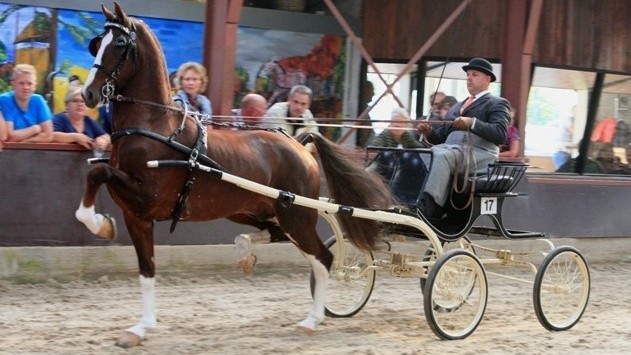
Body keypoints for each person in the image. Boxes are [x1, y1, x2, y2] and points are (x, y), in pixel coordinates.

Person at [416, 57, 510, 219]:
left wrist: (472, 123)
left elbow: (500, 134)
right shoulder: (457, 106)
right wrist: (429, 132)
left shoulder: (497, 103)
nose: (469, 78)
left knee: (441, 156)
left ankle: (430, 207)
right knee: (421, 155)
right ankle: (411, 197)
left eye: (474, 74)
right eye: (468, 75)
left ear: (487, 79)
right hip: (452, 150)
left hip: (480, 153)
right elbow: (441, 138)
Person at [366, 107, 427, 204]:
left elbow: (419, 147)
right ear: (390, 123)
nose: (397, 124)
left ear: (406, 124)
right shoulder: (385, 134)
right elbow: (374, 146)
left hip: (401, 170)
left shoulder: (406, 137)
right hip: (384, 166)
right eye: (395, 121)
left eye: (401, 122)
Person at [0, 64, 53, 143]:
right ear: (12, 84)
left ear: (35, 86)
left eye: (29, 84)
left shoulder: (38, 100)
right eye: (21, 83)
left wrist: (25, 141)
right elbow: (9, 136)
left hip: (33, 151)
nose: (26, 87)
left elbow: (48, 136)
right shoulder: (5, 100)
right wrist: (35, 129)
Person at [52, 87, 111, 152]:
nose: (80, 104)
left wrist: (103, 140)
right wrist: (76, 137)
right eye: (75, 101)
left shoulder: (88, 120)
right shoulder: (59, 119)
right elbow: (51, 136)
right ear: (67, 104)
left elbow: (106, 136)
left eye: (83, 101)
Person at [356, 80, 375, 148]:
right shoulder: (361, 111)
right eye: (372, 90)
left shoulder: (365, 110)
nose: (373, 93)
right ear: (366, 91)